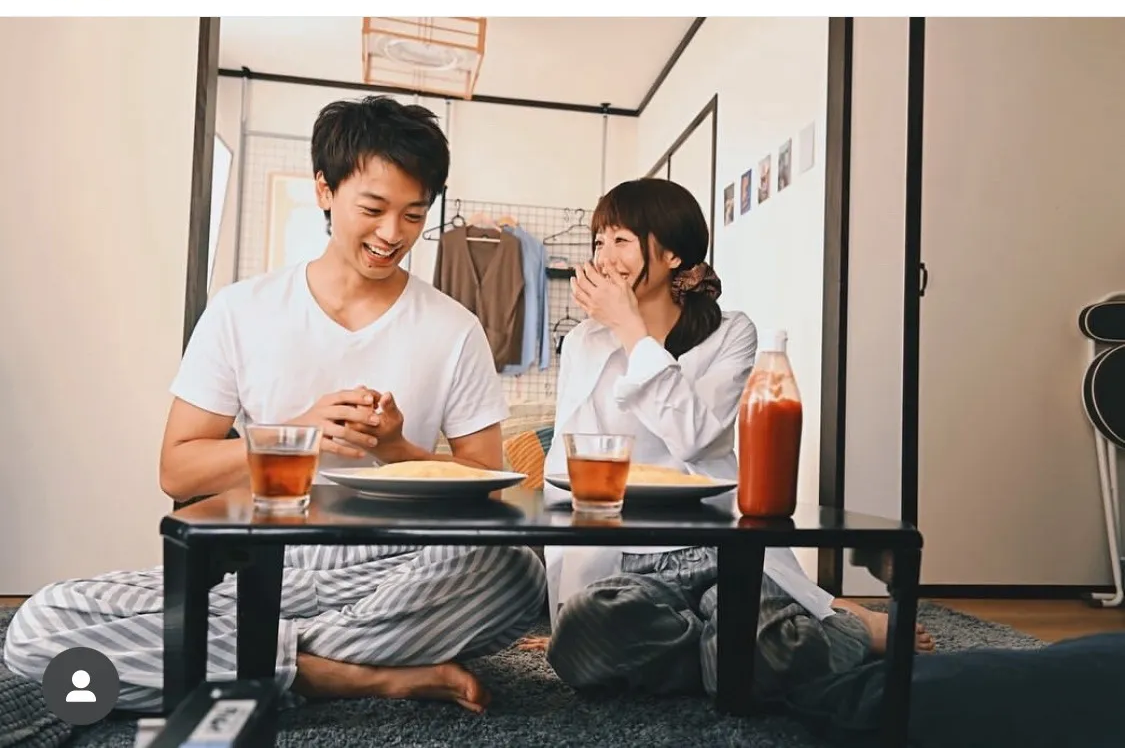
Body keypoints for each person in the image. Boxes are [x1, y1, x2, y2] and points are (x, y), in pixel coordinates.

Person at [3, 96, 546, 715]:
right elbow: (178, 470)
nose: (392, 234)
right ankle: (339, 673)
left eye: (413, 214)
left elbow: (489, 484)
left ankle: (250, 655)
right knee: (38, 625)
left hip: (396, 562)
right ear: (324, 190)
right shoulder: (242, 310)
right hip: (259, 560)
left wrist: (397, 449)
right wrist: (293, 435)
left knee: (515, 571)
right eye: (373, 209)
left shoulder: (455, 329)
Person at [521, 177, 931, 702]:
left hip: (718, 545)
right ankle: (731, 649)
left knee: (765, 649)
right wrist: (567, 600)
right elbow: (570, 461)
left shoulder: (731, 332)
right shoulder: (583, 341)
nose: (603, 257)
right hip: (626, 557)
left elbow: (694, 437)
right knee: (583, 640)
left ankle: (833, 629)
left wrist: (629, 329)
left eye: (621, 240)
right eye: (599, 241)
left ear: (672, 254)